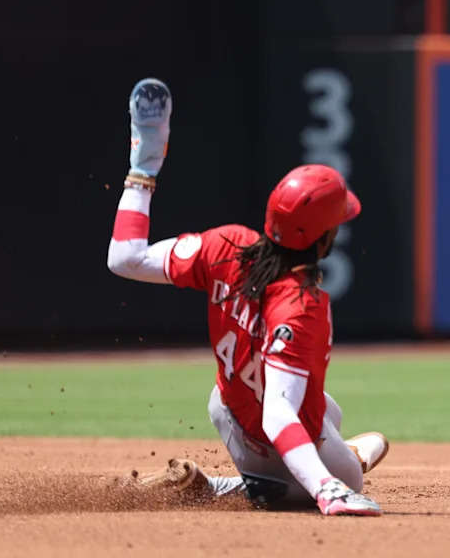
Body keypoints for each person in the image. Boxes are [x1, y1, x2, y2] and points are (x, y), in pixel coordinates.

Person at [107, 78, 388, 516]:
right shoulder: (303, 303)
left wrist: (143, 168)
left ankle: (304, 463)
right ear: (322, 238)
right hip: (271, 441)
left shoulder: (227, 246)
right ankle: (233, 486)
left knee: (328, 407)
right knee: (345, 471)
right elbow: (278, 416)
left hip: (228, 412)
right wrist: (328, 490)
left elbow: (125, 259)